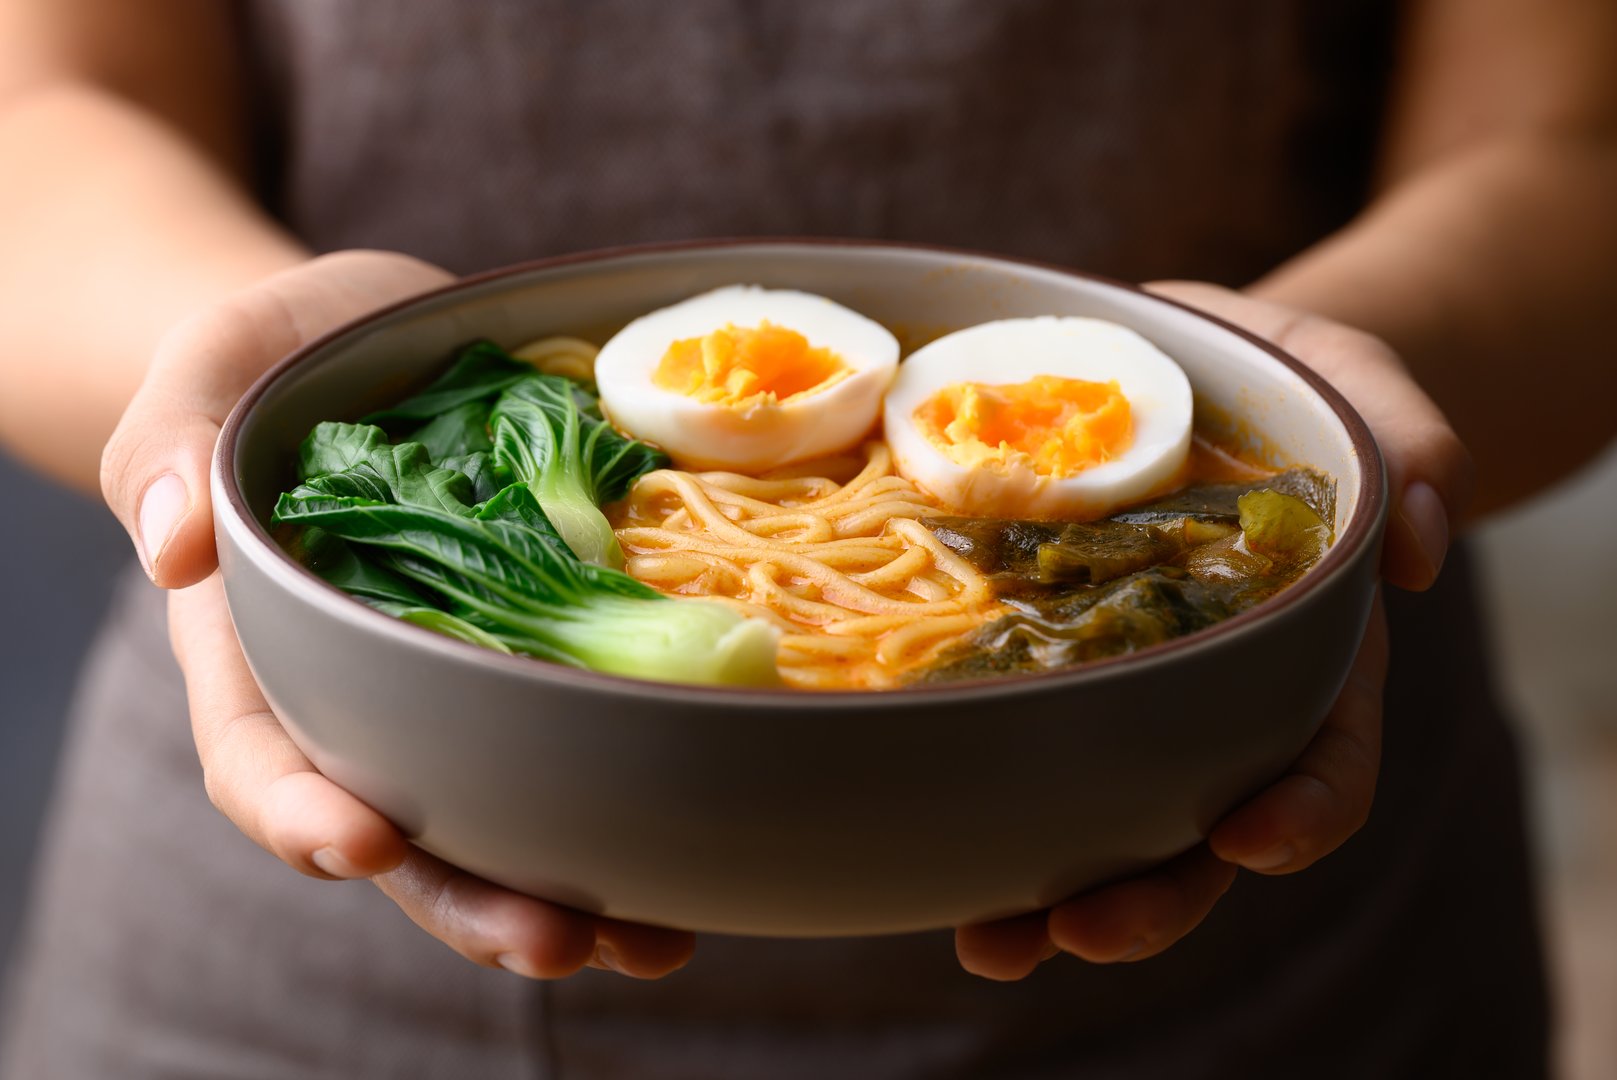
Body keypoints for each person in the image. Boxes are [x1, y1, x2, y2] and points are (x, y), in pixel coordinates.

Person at [0, 1, 1612, 1076]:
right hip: (310, 894)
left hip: (1257, 908)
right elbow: (51, 109)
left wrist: (1299, 391)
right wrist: (228, 397)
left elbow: (1567, 156)